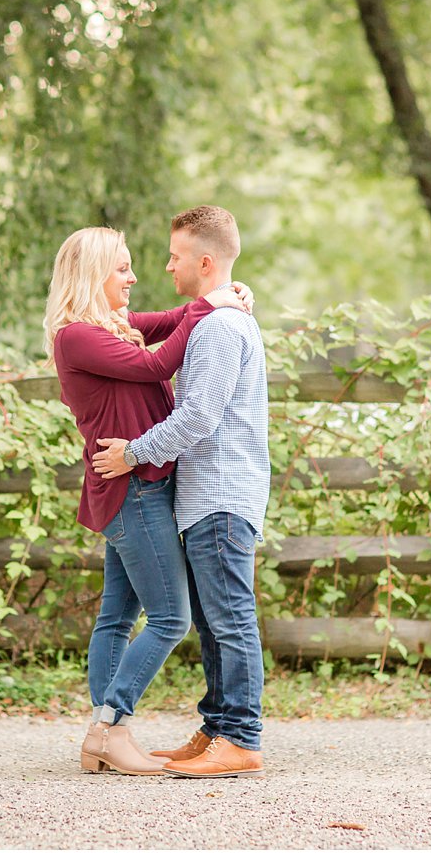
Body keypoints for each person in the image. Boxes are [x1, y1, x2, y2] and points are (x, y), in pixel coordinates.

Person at [43, 226, 252, 777]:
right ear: (92, 275)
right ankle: (110, 724)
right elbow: (158, 365)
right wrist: (212, 302)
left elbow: (172, 322)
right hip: (132, 490)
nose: (134, 278)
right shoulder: (77, 337)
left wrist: (219, 300)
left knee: (117, 616)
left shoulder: (111, 326)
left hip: (136, 486)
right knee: (169, 617)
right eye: (122, 269)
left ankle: (104, 734)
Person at [93, 204, 270, 780]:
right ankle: (218, 728)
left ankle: (240, 736)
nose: (166, 267)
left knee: (230, 617)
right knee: (214, 620)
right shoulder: (211, 319)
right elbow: (156, 330)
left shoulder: (220, 327)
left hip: (221, 494)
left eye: (174, 257)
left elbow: (197, 418)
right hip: (202, 497)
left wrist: (132, 451)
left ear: (204, 261)